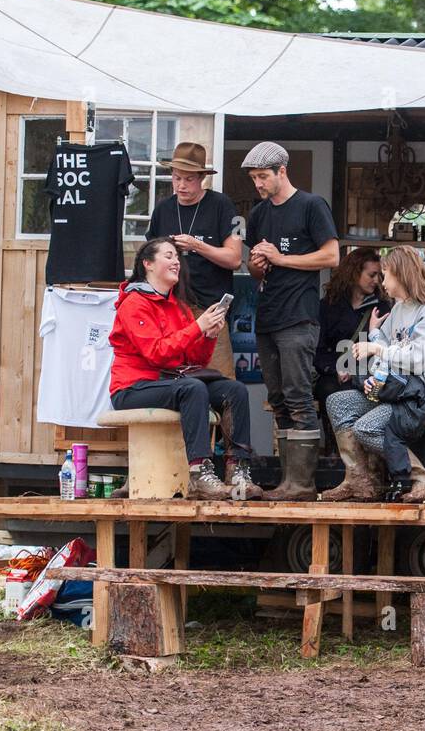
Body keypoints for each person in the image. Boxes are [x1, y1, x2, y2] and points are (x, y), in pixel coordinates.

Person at [109, 237, 261, 500]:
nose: (176, 262)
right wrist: (197, 327)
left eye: (177, 257)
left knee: (234, 390)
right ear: (148, 264)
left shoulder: (178, 306)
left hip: (172, 381)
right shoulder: (134, 303)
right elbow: (156, 353)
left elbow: (196, 361)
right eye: (168, 256)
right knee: (193, 388)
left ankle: (238, 471)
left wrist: (209, 335)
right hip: (133, 387)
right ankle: (199, 473)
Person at [242, 142, 340, 501]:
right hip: (268, 312)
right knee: (278, 398)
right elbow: (254, 270)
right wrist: (259, 263)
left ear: (282, 171)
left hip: (299, 314)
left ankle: (302, 484)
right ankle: (287, 481)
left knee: (299, 397)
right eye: (254, 178)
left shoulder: (311, 206)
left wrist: (281, 259)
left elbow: (332, 256)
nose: (258, 184)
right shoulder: (258, 214)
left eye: (263, 177)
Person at [324, 246, 425, 503]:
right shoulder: (399, 309)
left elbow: (418, 360)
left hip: (422, 397)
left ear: (400, 274)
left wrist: (376, 348)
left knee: (366, 427)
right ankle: (360, 481)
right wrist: (373, 375)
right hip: (395, 390)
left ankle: (422, 478)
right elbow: (381, 353)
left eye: (385, 275)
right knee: (338, 402)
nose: (381, 283)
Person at [145, 142, 241, 379]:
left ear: (202, 179)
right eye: (177, 178)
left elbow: (235, 259)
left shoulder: (223, 206)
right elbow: (147, 258)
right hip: (170, 310)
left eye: (189, 179)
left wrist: (197, 245)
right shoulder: (162, 210)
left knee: (221, 380)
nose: (181, 185)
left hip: (210, 309)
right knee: (171, 379)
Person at [315, 248, 393, 434]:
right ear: (354, 273)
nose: (376, 281)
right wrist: (336, 369)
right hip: (333, 374)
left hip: (369, 373)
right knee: (329, 390)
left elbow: (386, 347)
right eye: (372, 275)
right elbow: (317, 349)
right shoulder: (329, 305)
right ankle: (337, 447)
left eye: (379, 276)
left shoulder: (381, 307)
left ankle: (364, 441)